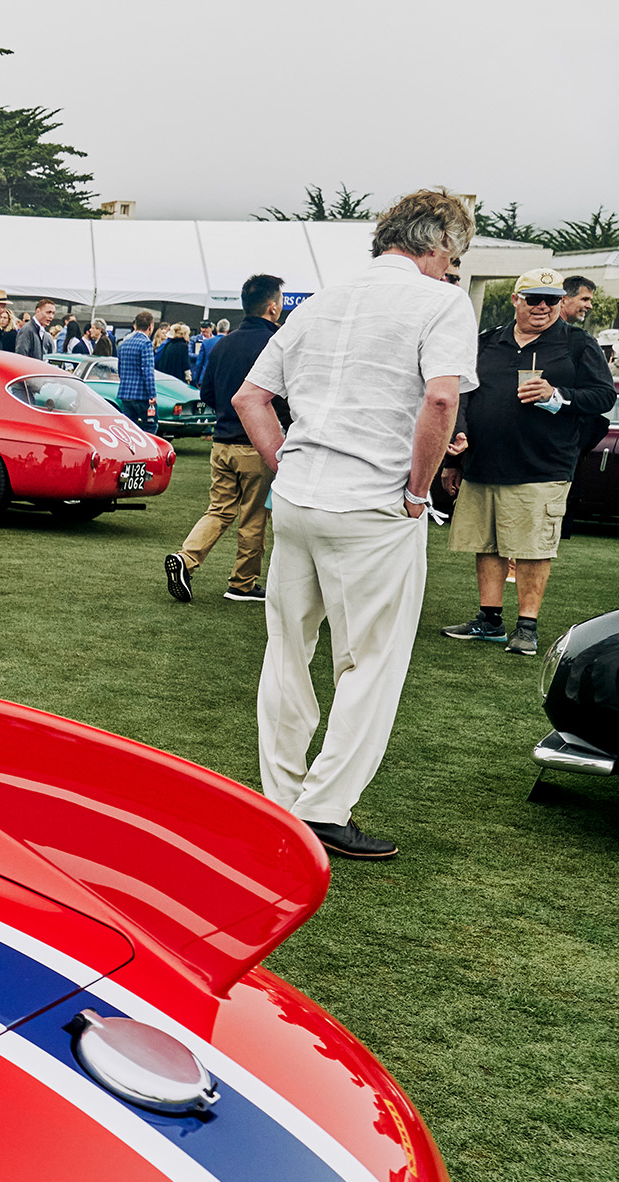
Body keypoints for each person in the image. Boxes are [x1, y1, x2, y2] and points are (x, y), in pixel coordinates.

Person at [233, 187, 479, 861]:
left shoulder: (321, 302)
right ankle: (323, 807)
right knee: (369, 661)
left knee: (288, 648)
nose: (452, 268)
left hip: (304, 496)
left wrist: (288, 464)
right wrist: (418, 488)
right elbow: (439, 395)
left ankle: (279, 799)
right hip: (373, 504)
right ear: (436, 246)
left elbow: (251, 397)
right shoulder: (440, 301)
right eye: (453, 256)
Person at [437, 268, 615, 656]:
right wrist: (457, 441)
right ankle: (490, 620)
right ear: (517, 299)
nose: (542, 307)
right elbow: (462, 393)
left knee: (534, 547)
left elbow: (603, 398)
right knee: (488, 543)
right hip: (483, 461)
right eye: (533, 298)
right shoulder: (487, 342)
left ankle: (527, 627)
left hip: (543, 465)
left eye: (551, 300)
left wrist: (558, 394)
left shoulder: (577, 344)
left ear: (560, 303)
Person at [166, 274, 287, 605]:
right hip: (256, 444)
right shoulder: (276, 343)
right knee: (253, 517)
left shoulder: (222, 343)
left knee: (219, 510)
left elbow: (206, 392)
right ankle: (243, 583)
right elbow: (284, 396)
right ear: (273, 307)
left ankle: (186, 559)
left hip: (221, 442)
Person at [116, 313, 158, 431]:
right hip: (142, 394)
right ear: (151, 326)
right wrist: (152, 394)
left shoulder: (123, 343)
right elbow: (148, 370)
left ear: (135, 325)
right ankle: (148, 449)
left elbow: (120, 369)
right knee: (150, 426)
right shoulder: (146, 343)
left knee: (129, 428)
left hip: (125, 393)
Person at [188, 320, 217, 386]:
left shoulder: (215, 340)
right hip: (196, 371)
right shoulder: (194, 339)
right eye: (202, 327)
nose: (204, 330)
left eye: (206, 328)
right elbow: (189, 354)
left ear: (211, 328)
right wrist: (201, 356)